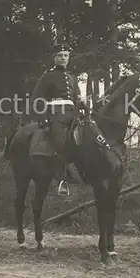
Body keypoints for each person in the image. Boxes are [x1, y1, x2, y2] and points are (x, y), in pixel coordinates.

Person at [30, 41, 89, 196]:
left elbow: (77, 98)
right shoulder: (47, 76)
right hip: (56, 113)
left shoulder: (72, 77)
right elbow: (37, 98)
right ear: (54, 58)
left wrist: (83, 106)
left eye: (66, 56)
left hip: (73, 112)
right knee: (60, 141)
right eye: (60, 56)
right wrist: (42, 117)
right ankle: (62, 179)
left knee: (90, 134)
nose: (63, 58)